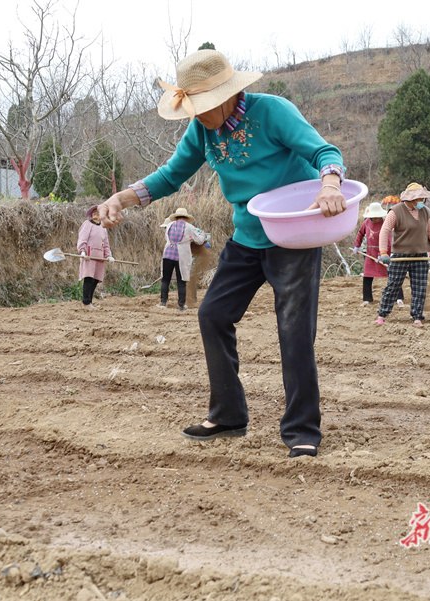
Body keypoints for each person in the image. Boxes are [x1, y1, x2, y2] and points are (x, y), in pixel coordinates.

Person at [96, 49, 346, 458]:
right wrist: (120, 199)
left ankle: (302, 429)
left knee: (294, 330)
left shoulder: (272, 113)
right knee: (212, 313)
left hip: (293, 235)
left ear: (225, 97)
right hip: (248, 236)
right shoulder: (201, 131)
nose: (196, 116)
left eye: (200, 107)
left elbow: (324, 153)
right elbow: (170, 175)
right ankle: (229, 414)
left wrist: (330, 185)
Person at [376, 183, 430, 326]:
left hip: (420, 255)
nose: (423, 201)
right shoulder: (395, 211)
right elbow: (385, 231)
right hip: (400, 255)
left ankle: (417, 316)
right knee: (393, 286)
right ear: (411, 199)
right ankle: (382, 314)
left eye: (423, 199)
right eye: (420, 198)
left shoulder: (425, 211)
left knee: (420, 287)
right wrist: (383, 252)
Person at [352, 202, 403, 307]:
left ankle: (398, 297)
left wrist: (382, 254)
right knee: (367, 276)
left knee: (392, 275)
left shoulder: (385, 223)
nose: (375, 218)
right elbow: (360, 233)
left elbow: (388, 240)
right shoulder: (366, 222)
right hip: (370, 254)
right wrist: (357, 246)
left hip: (384, 253)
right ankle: (367, 298)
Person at [159, 207, 208, 310]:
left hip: (167, 254)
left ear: (176, 218)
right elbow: (198, 241)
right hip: (181, 256)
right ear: (186, 218)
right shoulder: (189, 227)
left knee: (165, 279)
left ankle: (163, 302)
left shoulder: (169, 226)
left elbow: (167, 238)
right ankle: (181, 305)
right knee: (181, 281)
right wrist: (203, 235)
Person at [77, 206, 115, 310]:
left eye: (97, 212)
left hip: (99, 258)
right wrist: (82, 251)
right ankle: (86, 302)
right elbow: (82, 238)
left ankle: (90, 302)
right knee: (88, 278)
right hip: (88, 256)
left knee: (95, 280)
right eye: (93, 212)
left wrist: (109, 255)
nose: (95, 213)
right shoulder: (87, 225)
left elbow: (106, 244)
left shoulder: (103, 227)